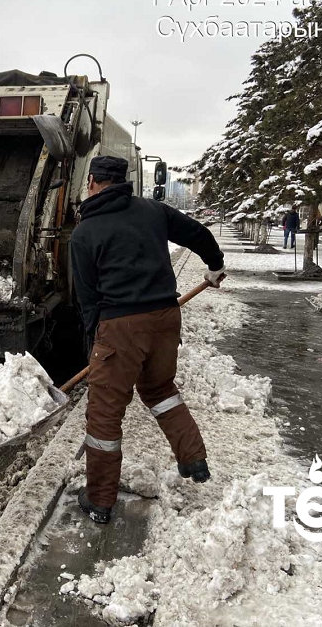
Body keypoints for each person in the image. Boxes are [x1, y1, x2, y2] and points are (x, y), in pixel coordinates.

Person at [70, 156, 226, 524]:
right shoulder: (153, 210)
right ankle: (194, 459)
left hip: (121, 327)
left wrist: (98, 342)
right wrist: (215, 264)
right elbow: (198, 234)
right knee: (160, 390)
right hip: (166, 318)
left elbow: (87, 298)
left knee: (105, 412)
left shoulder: (84, 233)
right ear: (123, 180)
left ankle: (99, 500)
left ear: (91, 182)